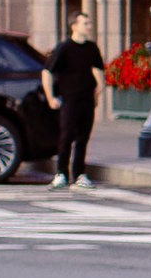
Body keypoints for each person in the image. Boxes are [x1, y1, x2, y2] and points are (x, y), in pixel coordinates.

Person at [40, 12, 104, 189]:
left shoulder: (92, 48)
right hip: (69, 99)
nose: (88, 26)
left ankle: (79, 174)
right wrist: (51, 97)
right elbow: (47, 72)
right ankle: (61, 173)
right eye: (85, 23)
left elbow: (99, 71)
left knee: (83, 137)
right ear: (74, 26)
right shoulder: (64, 48)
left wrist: (98, 92)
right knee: (66, 136)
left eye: (89, 23)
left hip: (87, 100)